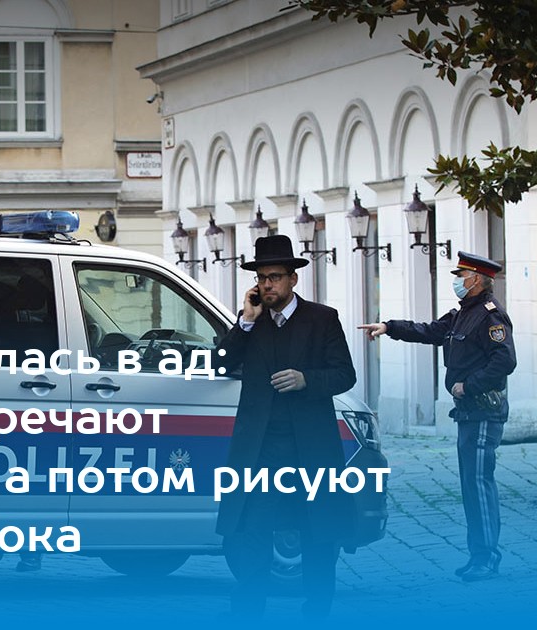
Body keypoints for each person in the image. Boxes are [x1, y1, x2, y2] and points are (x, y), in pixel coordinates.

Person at [215, 234, 357, 617]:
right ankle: (248, 614)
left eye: (275, 277)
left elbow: (345, 375)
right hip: (261, 450)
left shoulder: (322, 319)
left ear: (293, 279)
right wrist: (245, 321)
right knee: (252, 530)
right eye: (262, 278)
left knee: (317, 532)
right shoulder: (252, 322)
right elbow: (220, 363)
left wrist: (306, 379)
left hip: (310, 447)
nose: (267, 285)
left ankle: (317, 613)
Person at [358, 251, 515, 582]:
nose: (457, 281)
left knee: (478, 484)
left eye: (462, 276)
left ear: (477, 280)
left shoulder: (490, 316)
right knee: (471, 485)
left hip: (483, 411)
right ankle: (479, 556)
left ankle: (486, 558)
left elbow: (504, 361)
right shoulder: (463, 314)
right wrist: (389, 327)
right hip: (469, 412)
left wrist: (468, 386)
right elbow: (429, 331)